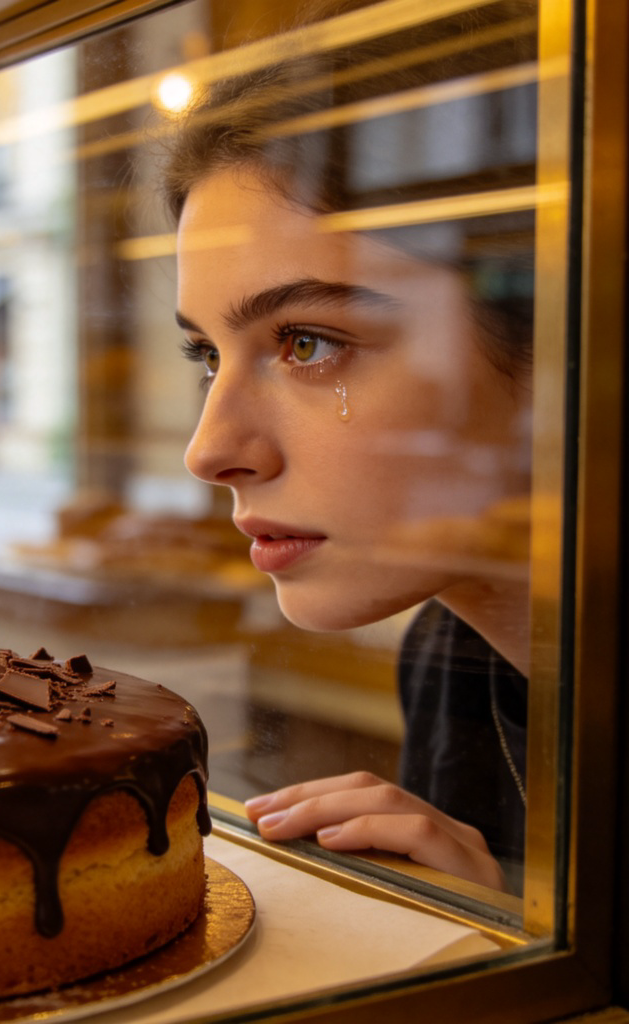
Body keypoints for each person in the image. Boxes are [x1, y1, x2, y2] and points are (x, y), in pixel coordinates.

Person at [162, 1, 536, 893]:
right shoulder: (455, 651)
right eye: (208, 355)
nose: (209, 450)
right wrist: (496, 904)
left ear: (560, 347)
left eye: (306, 343)